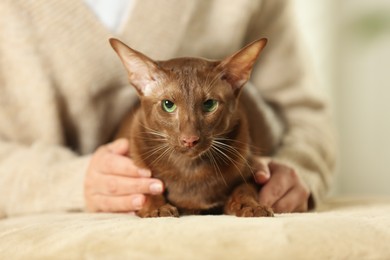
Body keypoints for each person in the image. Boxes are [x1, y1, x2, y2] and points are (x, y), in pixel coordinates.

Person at [0, 0, 335, 218]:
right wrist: (66, 182)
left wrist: (299, 170)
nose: (188, 134)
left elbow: (306, 115)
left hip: (235, 177)